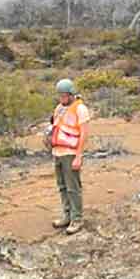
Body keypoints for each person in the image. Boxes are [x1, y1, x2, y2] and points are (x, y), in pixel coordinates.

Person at [47, 78, 89, 234]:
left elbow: (84, 133)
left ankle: (77, 219)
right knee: (62, 186)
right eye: (60, 96)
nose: (61, 99)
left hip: (70, 153)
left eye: (64, 96)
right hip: (58, 152)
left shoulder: (80, 109)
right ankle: (67, 215)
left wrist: (79, 156)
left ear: (71, 94)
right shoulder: (59, 108)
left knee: (73, 187)